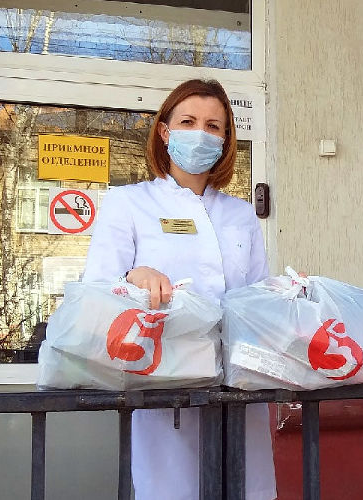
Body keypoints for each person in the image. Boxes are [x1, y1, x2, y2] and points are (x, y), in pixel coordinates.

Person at [81, 79, 276, 500]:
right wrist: (134, 277)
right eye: (188, 122)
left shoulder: (241, 215)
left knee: (245, 487)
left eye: (213, 126)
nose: (200, 133)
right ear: (165, 132)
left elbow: (258, 300)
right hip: (165, 391)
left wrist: (289, 299)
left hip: (239, 390)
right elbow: (96, 292)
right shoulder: (128, 204)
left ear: (225, 141)